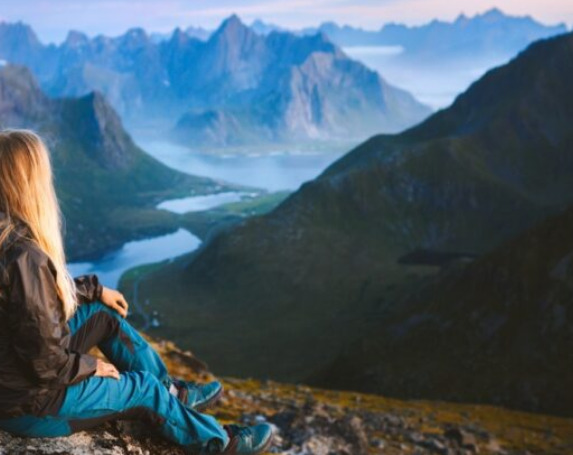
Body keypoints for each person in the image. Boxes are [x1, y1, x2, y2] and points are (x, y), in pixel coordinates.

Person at [0, 129, 274, 454]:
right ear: (28, 183)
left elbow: (32, 303)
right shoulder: (26, 256)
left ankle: (171, 394)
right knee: (143, 389)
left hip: (17, 384)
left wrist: (94, 290)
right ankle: (220, 443)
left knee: (102, 314)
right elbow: (46, 365)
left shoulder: (10, 241)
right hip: (32, 406)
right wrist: (89, 366)